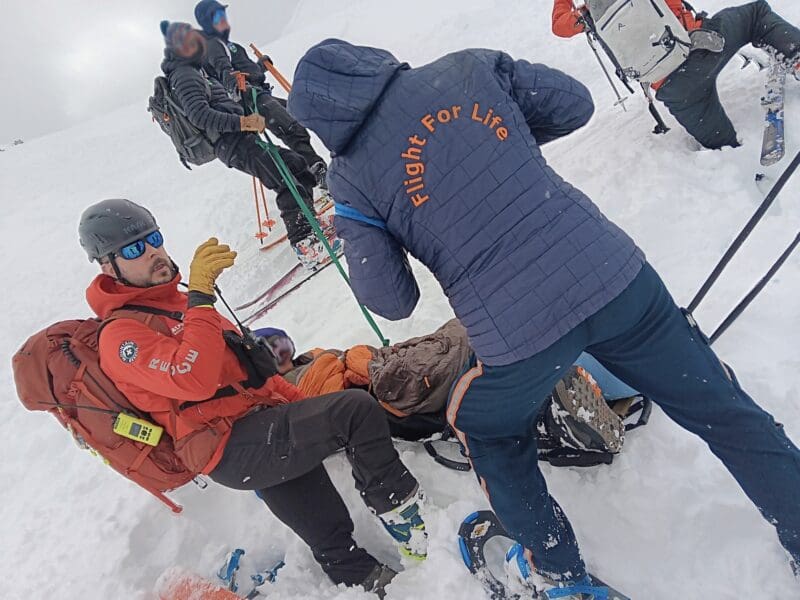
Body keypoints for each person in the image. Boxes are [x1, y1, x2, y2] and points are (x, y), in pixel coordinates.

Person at [286, 39, 800, 596]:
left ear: (319, 120)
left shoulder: (352, 176)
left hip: (518, 334)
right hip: (614, 275)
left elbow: (391, 301)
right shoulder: (465, 66)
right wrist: (504, 159)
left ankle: (558, 571)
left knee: (489, 429)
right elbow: (573, 103)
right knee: (720, 408)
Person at [78, 198, 427, 596]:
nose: (154, 251)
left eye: (154, 238)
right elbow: (191, 378)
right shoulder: (121, 336)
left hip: (258, 423)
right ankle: (409, 522)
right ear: (109, 266)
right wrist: (202, 298)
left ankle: (359, 576)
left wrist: (303, 406)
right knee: (355, 411)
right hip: (224, 445)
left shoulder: (182, 306)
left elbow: (254, 373)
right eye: (134, 249)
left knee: (318, 507)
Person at [158, 21, 330, 269]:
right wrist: (245, 122)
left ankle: (310, 225)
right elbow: (201, 116)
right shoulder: (184, 75)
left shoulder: (194, 72)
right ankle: (307, 244)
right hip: (232, 143)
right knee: (285, 179)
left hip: (239, 140)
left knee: (295, 165)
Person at [552, 0, 800, 149]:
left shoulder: (590, 15)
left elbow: (559, 26)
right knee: (757, 15)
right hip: (705, 50)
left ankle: (732, 155)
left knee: (724, 149)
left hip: (677, 92)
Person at [193, 0, 328, 186]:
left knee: (294, 117)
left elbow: (241, 69)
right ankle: (317, 173)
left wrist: (259, 67)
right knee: (290, 127)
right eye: (216, 15)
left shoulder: (229, 45)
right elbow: (223, 69)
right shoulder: (212, 44)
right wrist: (236, 89)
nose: (223, 18)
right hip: (249, 96)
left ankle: (309, 174)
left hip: (258, 92)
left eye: (222, 13)